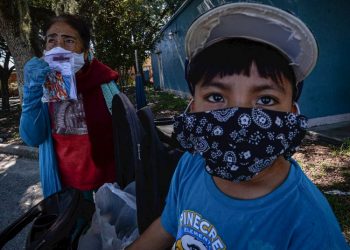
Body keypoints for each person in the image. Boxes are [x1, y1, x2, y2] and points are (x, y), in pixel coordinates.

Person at [127, 3, 349, 249]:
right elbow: (168, 225)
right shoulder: (191, 166)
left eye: (266, 100)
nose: (238, 118)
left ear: (292, 114)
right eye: (216, 97)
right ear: (192, 107)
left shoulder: (309, 222)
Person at [20, 14, 120, 198]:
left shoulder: (105, 83)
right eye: (52, 40)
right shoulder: (41, 88)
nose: (58, 47)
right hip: (64, 189)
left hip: (110, 186)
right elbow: (32, 138)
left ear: (85, 50)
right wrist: (31, 92)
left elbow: (125, 134)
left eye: (68, 40)